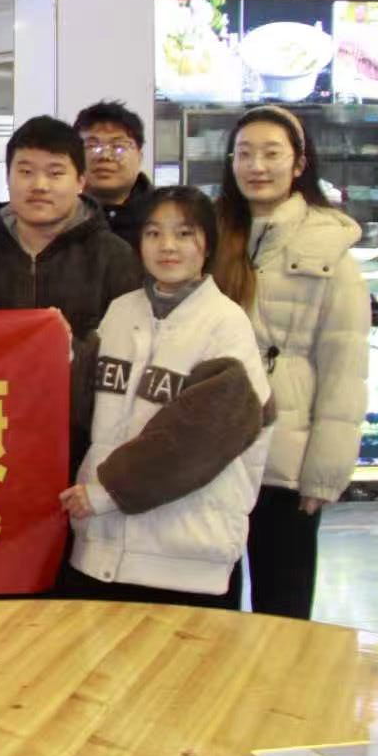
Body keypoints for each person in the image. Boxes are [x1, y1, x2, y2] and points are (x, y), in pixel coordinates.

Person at [60, 187, 272, 608]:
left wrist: (106, 492)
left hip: (185, 559)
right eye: (154, 233)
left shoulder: (226, 325)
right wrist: (58, 348)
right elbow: (86, 405)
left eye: (184, 233)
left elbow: (198, 439)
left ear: (206, 245)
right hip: (102, 549)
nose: (167, 246)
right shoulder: (121, 312)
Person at [211, 105, 370, 620]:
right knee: (209, 606)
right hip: (211, 455)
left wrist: (324, 474)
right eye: (244, 153)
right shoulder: (209, 235)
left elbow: (345, 368)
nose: (256, 166)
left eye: (271, 153)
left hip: (286, 462)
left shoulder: (330, 247)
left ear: (299, 164)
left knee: (283, 611)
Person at [0, 115, 142, 477]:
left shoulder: (116, 258)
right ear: (7, 177)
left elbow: (132, 357)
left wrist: (71, 350)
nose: (39, 185)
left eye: (55, 172)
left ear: (80, 181)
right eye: (25, 171)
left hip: (84, 450)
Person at [75, 100, 153, 253]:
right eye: (92, 146)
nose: (105, 156)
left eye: (118, 147)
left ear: (139, 156)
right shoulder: (60, 218)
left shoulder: (162, 213)